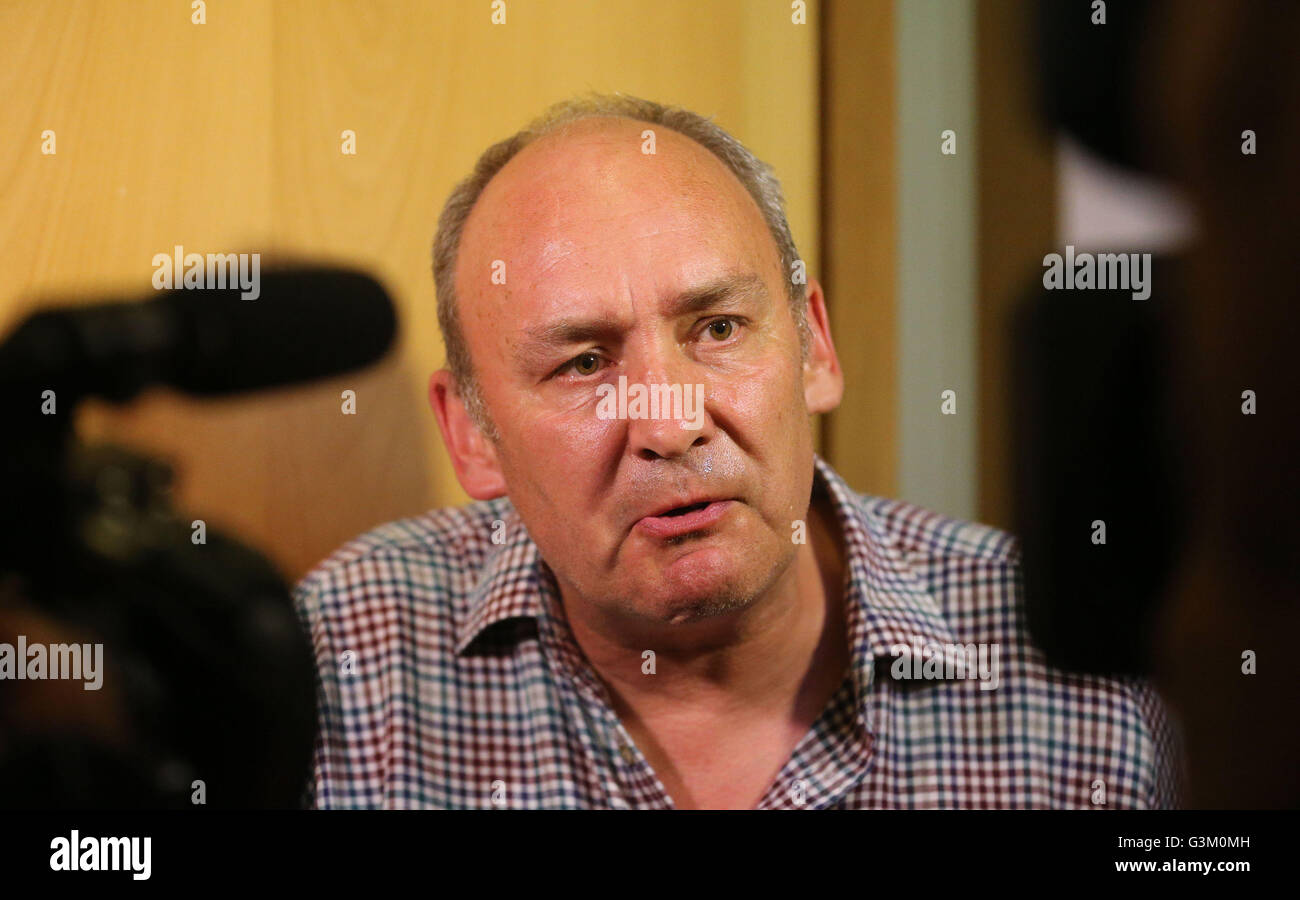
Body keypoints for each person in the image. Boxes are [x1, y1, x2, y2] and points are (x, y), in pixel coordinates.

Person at [293, 93, 1182, 809]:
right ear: (471, 433)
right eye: (584, 363)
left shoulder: (1095, 681)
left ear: (815, 348)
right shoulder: (340, 670)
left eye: (718, 327)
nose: (672, 423)